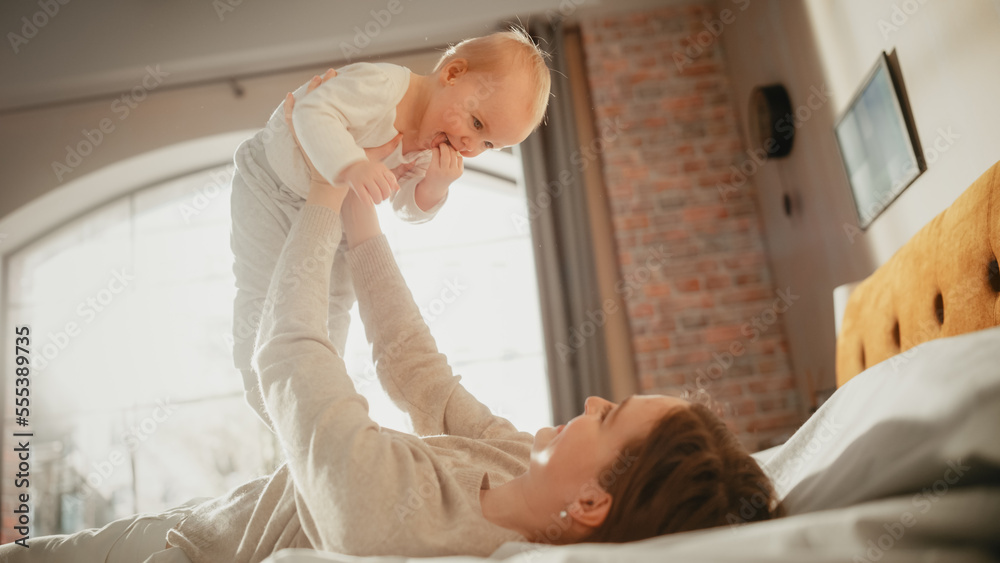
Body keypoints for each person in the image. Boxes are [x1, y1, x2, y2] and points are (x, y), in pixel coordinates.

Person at [0, 59, 782, 563]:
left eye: (607, 418)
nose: (590, 401)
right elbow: (417, 370)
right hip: (227, 507)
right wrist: (365, 221)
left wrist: (326, 190)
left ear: (591, 502)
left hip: (190, 550)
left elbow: (290, 356)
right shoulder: (522, 463)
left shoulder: (403, 532)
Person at [231, 27, 552, 430]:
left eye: (488, 145)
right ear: (452, 74)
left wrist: (433, 186)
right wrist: (352, 166)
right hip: (272, 185)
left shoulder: (430, 144)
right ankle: (255, 378)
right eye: (476, 122)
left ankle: (314, 391)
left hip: (334, 218)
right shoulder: (383, 86)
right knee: (262, 294)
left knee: (333, 306)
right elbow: (313, 111)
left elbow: (404, 207)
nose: (470, 145)